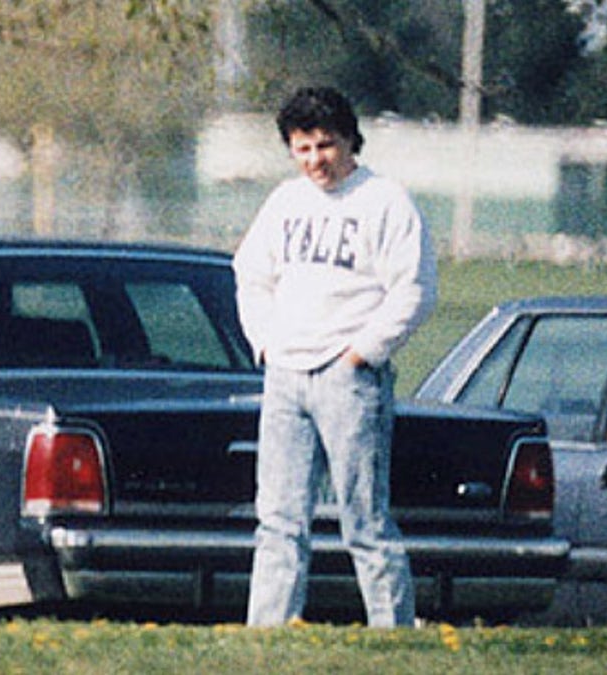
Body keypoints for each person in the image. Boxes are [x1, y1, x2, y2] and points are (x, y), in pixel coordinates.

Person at [233, 86, 437, 629]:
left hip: (348, 380)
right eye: (302, 149)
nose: (315, 160)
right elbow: (250, 275)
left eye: (325, 146)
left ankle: (392, 633)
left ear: (349, 140)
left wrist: (359, 354)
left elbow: (414, 290)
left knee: (365, 521)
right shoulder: (284, 202)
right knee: (278, 521)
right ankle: (268, 635)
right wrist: (268, 344)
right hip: (286, 377)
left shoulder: (385, 201)